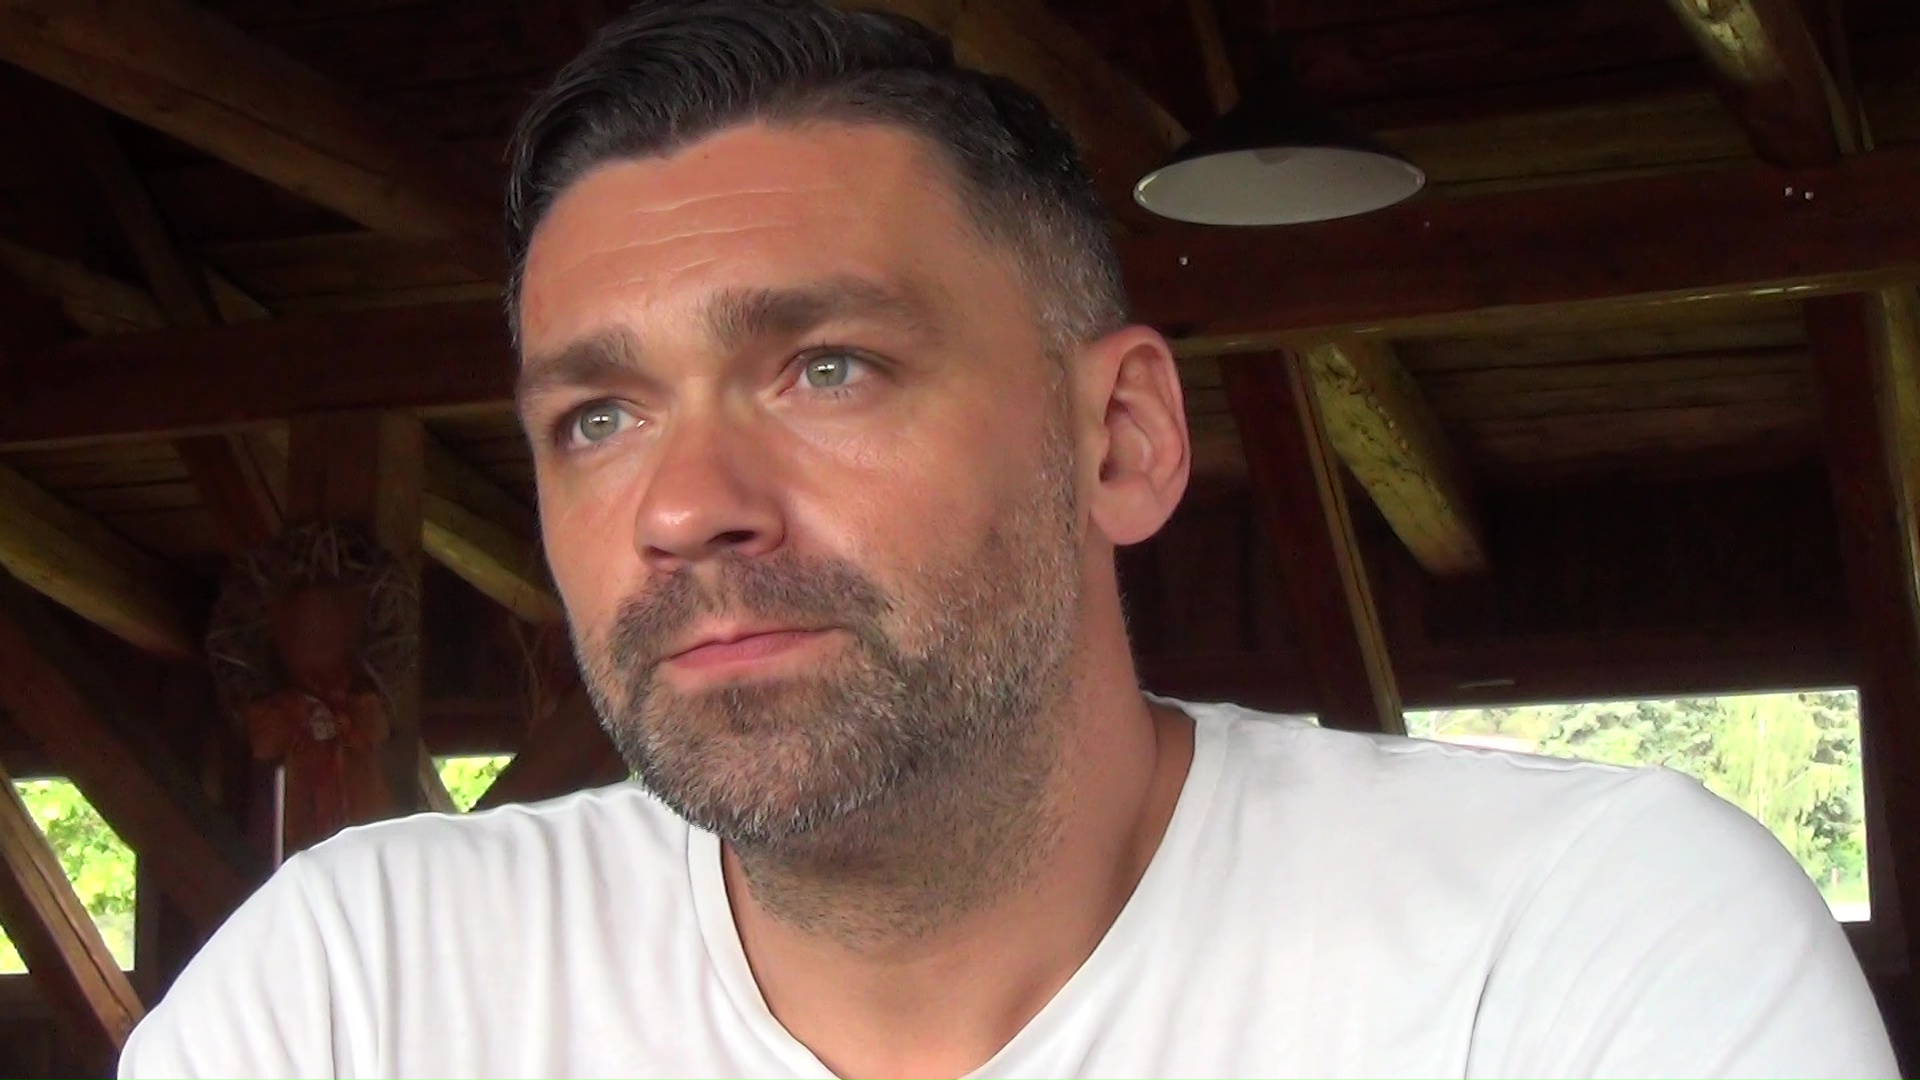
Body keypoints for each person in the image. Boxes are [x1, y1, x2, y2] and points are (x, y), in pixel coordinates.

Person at [119, 2, 1899, 1077]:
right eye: (599, 415)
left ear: (1119, 438)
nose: (680, 503)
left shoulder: (1572, 942)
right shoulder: (361, 989)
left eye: (825, 364)